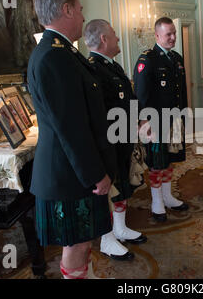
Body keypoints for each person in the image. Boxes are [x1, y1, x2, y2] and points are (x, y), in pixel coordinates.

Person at [28, 0, 117, 279]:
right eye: (79, 9)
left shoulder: (62, 51)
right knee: (76, 244)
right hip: (69, 174)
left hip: (71, 171)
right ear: (66, 10)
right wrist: (95, 173)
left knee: (82, 241)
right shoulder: (54, 56)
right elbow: (71, 127)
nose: (82, 16)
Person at [84, 19, 147, 261]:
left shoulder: (113, 66)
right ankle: (107, 239)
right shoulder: (93, 69)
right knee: (110, 191)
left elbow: (129, 97)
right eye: (114, 34)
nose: (118, 38)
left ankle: (120, 228)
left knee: (122, 185)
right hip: (109, 141)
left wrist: (141, 118)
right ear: (103, 39)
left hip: (123, 138)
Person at [133, 17, 189, 223]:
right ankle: (157, 202)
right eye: (169, 34)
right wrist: (143, 122)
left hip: (174, 120)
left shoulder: (177, 58)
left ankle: (167, 196)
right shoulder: (147, 59)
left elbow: (181, 91)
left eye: (174, 33)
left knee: (170, 160)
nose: (174, 37)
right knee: (157, 163)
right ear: (157, 36)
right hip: (155, 121)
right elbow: (140, 94)